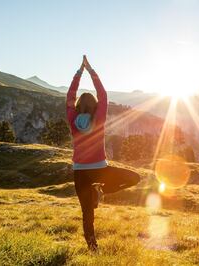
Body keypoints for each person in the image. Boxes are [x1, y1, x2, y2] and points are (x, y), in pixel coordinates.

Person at [66, 55, 140, 251]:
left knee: (87, 212)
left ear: (78, 107)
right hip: (100, 170)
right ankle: (103, 190)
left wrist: (78, 73)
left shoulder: (73, 121)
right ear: (95, 107)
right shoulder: (99, 120)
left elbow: (70, 96)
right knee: (135, 178)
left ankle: (93, 248)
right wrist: (90, 70)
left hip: (80, 172)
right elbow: (103, 94)